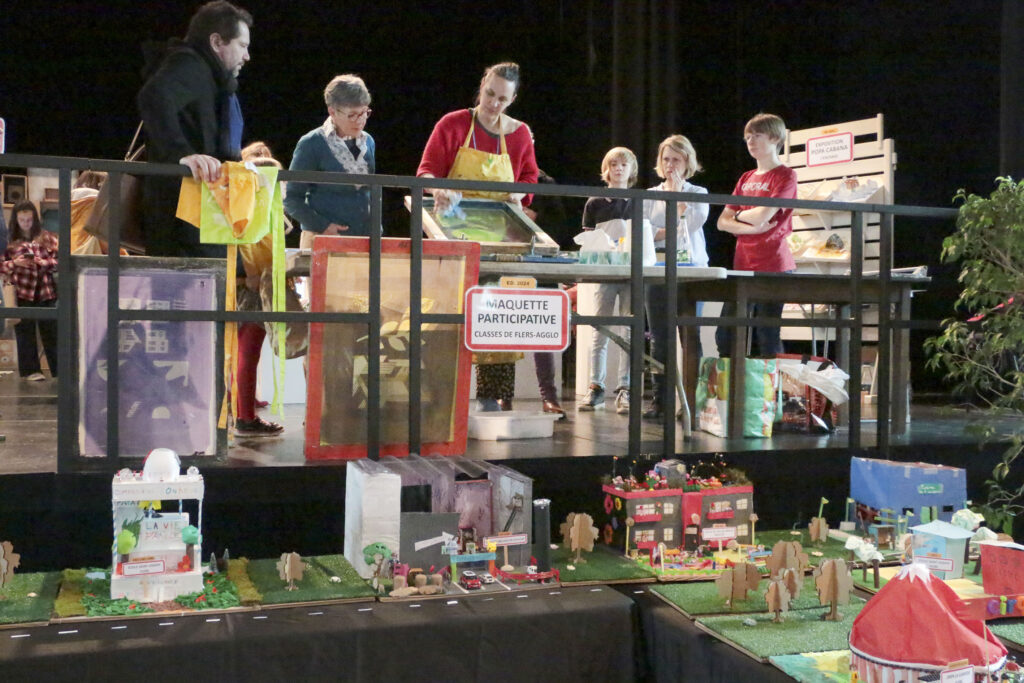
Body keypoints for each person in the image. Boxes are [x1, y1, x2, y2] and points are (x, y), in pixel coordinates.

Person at [417, 62, 564, 417]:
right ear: (482, 85)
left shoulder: (519, 133)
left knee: (495, 315)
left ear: (513, 99)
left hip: (500, 238)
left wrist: (519, 194)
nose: (494, 104)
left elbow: (530, 178)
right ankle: (439, 397)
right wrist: (438, 189)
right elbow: (426, 171)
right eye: (489, 94)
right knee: (447, 317)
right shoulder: (452, 123)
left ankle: (492, 397)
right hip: (453, 233)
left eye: (502, 99)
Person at [137, 0, 252, 258]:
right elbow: (152, 96)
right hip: (180, 220)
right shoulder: (190, 64)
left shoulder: (208, 74)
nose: (247, 56)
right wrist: (181, 153)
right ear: (216, 42)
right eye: (242, 46)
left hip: (196, 215)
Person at [715, 112, 797, 359]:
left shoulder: (785, 175)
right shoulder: (746, 178)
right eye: (747, 137)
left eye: (757, 136)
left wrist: (739, 215)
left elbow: (764, 215)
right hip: (743, 263)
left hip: (773, 264)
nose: (750, 141)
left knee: (767, 334)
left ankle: (771, 384)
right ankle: (733, 381)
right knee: (726, 333)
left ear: (774, 138)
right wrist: (751, 226)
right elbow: (722, 222)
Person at [642, 134, 710, 420]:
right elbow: (646, 232)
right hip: (657, 270)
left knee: (690, 335)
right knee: (659, 337)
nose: (670, 165)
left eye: (677, 160)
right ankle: (660, 400)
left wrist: (678, 196)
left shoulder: (698, 193)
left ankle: (692, 401)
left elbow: (691, 224)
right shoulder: (650, 194)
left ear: (687, 162)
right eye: (666, 159)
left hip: (691, 271)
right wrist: (674, 220)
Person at [230, 141, 286, 437]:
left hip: (250, 280)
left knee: (244, 349)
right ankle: (246, 418)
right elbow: (251, 244)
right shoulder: (255, 203)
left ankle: (244, 404)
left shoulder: (244, 199)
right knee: (248, 350)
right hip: (253, 282)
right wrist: (256, 275)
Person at [578, 147, 638, 414]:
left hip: (630, 273)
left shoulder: (638, 200)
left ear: (631, 169)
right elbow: (588, 240)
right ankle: (596, 386)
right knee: (599, 329)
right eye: (614, 164)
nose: (618, 169)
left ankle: (625, 388)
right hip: (605, 272)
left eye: (624, 165)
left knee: (629, 331)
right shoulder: (594, 202)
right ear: (606, 169)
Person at [284, 74, 376, 248]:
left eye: (364, 113)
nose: (360, 121)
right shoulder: (311, 143)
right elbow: (291, 198)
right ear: (332, 112)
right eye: (352, 115)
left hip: (363, 240)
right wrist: (322, 226)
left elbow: (367, 193)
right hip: (322, 239)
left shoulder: (368, 141)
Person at [1, 201, 58, 381]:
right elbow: (2, 266)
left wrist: (42, 262)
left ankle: (59, 370)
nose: (26, 223)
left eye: (29, 220)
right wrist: (15, 263)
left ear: (35, 219)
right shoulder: (9, 242)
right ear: (16, 220)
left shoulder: (46, 237)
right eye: (22, 220)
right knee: (25, 332)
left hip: (45, 291)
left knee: (52, 332)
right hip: (22, 291)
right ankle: (30, 371)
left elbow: (60, 261)